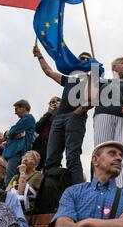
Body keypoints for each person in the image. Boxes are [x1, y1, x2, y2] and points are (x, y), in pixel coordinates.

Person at [49, 141, 123, 227]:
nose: (119, 158)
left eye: (120, 155)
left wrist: (88, 222)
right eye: (112, 153)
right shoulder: (73, 192)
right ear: (95, 160)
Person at [33, 45, 93, 185]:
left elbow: (95, 99)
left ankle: (77, 191)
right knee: (51, 157)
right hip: (59, 118)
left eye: (87, 59)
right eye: (81, 59)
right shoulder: (69, 80)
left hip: (76, 118)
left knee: (72, 156)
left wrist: (79, 110)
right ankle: (48, 192)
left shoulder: (93, 80)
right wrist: (40, 56)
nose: (84, 60)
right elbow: (48, 71)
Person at [93, 57, 123, 189]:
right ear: (114, 67)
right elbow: (89, 97)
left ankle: (121, 195)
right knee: (100, 155)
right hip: (103, 115)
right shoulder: (102, 82)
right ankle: (98, 192)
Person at [3, 99, 36, 187]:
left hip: (17, 152)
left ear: (23, 108)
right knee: (8, 178)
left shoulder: (29, 118)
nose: (15, 113)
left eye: (16, 109)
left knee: (9, 179)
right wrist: (10, 133)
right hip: (13, 152)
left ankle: (7, 198)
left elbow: (13, 130)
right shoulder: (23, 120)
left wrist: (10, 133)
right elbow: (11, 132)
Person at [32, 96, 61, 171]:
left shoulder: (61, 116)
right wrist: (48, 113)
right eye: (51, 102)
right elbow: (37, 128)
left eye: (55, 102)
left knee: (48, 169)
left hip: (52, 146)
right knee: (35, 168)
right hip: (39, 145)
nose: (53, 104)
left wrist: (57, 111)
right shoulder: (46, 115)